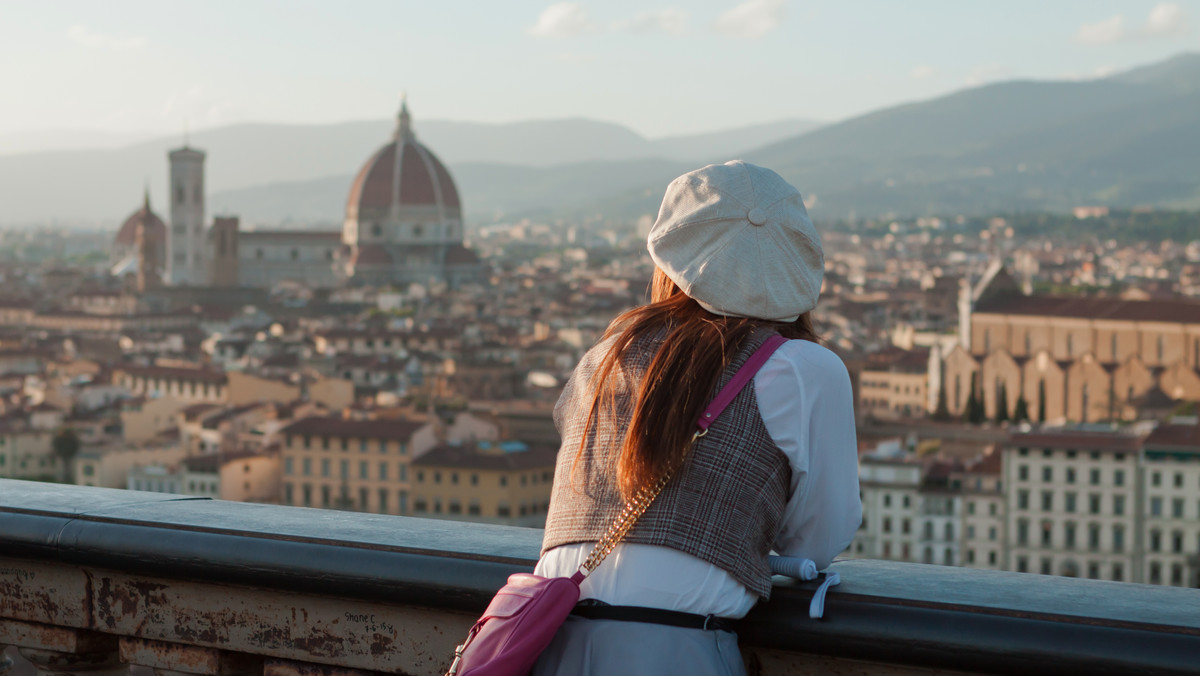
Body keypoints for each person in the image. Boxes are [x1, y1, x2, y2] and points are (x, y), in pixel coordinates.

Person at [532, 161, 862, 675]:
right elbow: (817, 541)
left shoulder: (605, 357)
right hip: (674, 649)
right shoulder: (801, 368)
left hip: (550, 639)